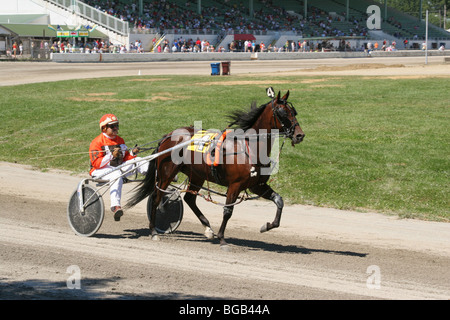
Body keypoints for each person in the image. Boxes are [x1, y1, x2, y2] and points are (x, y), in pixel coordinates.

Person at [89, 114, 148, 221]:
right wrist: (111, 155)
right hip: (100, 170)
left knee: (139, 160)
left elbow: (125, 159)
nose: (116, 128)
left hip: (117, 168)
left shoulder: (120, 140)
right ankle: (115, 207)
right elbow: (96, 163)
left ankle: (157, 176)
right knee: (116, 174)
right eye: (112, 126)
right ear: (104, 128)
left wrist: (132, 153)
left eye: (117, 125)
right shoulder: (97, 142)